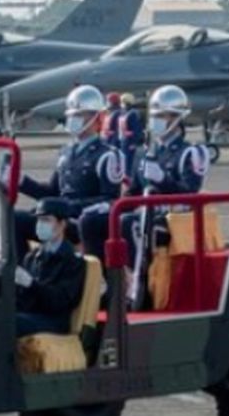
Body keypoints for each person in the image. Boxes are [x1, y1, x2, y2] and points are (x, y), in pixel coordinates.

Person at [121, 84, 211, 310]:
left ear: (177, 117)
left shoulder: (190, 152)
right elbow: (132, 191)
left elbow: (190, 192)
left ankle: (138, 286)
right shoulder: (144, 153)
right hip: (145, 213)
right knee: (105, 222)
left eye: (163, 116)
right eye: (155, 116)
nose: (156, 121)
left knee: (130, 224)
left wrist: (163, 180)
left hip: (172, 219)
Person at [14, 84, 124, 263]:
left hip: (80, 219)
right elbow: (53, 192)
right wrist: (21, 182)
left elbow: (110, 199)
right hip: (59, 216)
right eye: (72, 115)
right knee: (16, 219)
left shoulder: (107, 154)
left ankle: (96, 281)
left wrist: (69, 206)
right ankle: (22, 275)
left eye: (80, 115)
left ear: (97, 118)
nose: (74, 119)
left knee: (86, 225)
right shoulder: (66, 152)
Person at [14, 198, 87, 337]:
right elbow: (23, 299)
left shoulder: (72, 261)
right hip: (32, 313)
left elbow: (60, 301)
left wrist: (31, 285)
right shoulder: (33, 256)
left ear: (61, 224)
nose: (40, 225)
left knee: (11, 322)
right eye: (39, 220)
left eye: (46, 220)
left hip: (54, 320)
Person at [116, 92, 145, 178]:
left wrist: (134, 143)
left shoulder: (133, 114)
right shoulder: (124, 113)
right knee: (124, 164)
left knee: (130, 165)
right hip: (123, 143)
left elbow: (137, 130)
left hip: (129, 144)